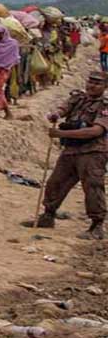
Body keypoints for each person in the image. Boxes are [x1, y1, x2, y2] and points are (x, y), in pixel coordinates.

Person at [34, 72, 108, 240]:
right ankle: (48, 216)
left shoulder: (104, 106)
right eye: (90, 82)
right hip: (71, 149)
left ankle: (97, 225)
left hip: (93, 152)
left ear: (105, 87)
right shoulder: (79, 98)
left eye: (97, 83)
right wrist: (56, 115)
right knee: (56, 183)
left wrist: (60, 133)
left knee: (92, 187)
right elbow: (64, 108)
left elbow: (95, 131)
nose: (92, 86)